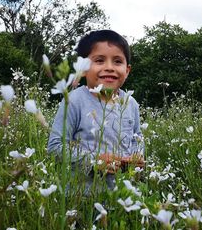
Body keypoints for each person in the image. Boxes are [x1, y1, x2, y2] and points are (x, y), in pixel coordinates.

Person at [47, 30, 144, 195]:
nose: (109, 68)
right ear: (83, 69)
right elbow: (56, 147)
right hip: (82, 198)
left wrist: (136, 158)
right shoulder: (74, 100)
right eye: (99, 60)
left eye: (117, 61)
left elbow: (137, 138)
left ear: (127, 71)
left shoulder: (131, 102)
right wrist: (94, 160)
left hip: (123, 196)